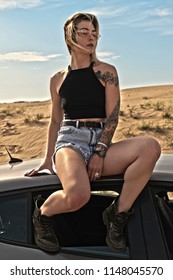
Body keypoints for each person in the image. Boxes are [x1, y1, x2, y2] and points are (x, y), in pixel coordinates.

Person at [26, 12, 161, 253]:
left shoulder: (106, 72)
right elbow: (55, 120)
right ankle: (43, 213)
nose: (92, 38)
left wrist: (99, 151)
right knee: (78, 195)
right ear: (70, 37)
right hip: (70, 142)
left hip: (100, 141)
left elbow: (112, 117)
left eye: (95, 32)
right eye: (84, 32)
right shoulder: (58, 79)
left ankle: (117, 214)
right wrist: (48, 159)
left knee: (150, 147)